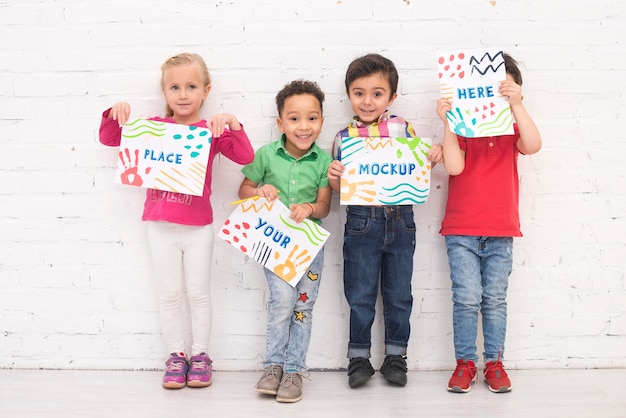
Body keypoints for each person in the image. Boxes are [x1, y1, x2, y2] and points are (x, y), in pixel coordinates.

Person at [99, 52, 254, 389]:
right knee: (169, 293)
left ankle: (201, 356)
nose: (183, 94)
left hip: (198, 226)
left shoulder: (209, 130)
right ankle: (176, 356)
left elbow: (245, 157)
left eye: (191, 86)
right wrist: (116, 113)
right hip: (160, 225)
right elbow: (110, 138)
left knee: (198, 293)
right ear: (164, 92)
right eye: (175, 87)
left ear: (206, 91)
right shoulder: (154, 128)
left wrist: (231, 123)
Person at [327, 53, 443, 388]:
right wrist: (335, 176)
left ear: (391, 97)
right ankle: (358, 357)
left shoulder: (403, 128)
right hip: (361, 221)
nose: (367, 101)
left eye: (377, 93)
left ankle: (396, 356)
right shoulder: (343, 138)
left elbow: (415, 171)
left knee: (398, 293)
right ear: (349, 94)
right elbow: (339, 189)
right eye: (359, 92)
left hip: (400, 218)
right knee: (360, 293)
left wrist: (431, 158)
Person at [436, 53, 542, 393]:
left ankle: (494, 362)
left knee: (494, 299)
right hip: (462, 229)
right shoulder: (465, 127)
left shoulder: (512, 128)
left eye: (505, 89)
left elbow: (534, 144)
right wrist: (449, 122)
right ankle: (465, 363)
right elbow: (453, 167)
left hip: (501, 229)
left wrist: (517, 105)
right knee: (466, 298)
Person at [238, 79, 332, 403]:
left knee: (303, 307)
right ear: (280, 123)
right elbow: (243, 191)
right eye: (294, 118)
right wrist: (258, 190)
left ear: (321, 121)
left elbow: (325, 207)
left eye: (312, 118)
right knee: (281, 302)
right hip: (276, 246)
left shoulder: (323, 160)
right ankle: (273, 366)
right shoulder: (266, 155)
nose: (303, 126)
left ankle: (294, 370)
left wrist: (310, 207)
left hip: (311, 247)